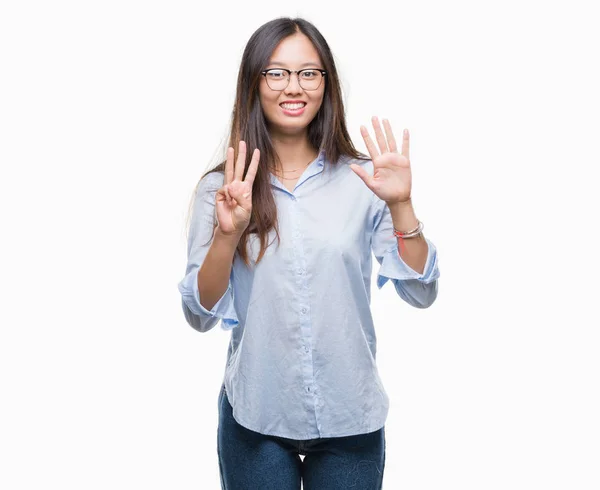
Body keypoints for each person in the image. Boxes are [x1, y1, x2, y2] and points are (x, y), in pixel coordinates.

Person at [177, 16, 440, 490]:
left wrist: (401, 204)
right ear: (253, 83)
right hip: (257, 412)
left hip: (350, 413)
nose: (292, 86)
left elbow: (421, 291)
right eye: (276, 72)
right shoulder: (223, 189)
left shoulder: (366, 180)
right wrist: (226, 236)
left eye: (308, 72)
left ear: (326, 83)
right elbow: (199, 315)